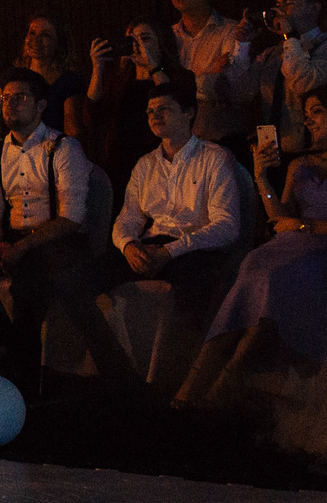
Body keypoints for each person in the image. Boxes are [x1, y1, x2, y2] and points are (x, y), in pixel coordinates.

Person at [179, 83, 327, 413]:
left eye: (317, 113)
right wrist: (262, 178)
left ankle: (220, 389)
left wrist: (305, 226)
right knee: (254, 267)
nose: (309, 122)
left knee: (272, 276)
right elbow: (279, 217)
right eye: (306, 116)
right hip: (289, 245)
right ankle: (188, 392)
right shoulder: (299, 165)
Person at [0, 68, 113, 392]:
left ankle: (24, 386)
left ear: (41, 106)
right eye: (5, 98)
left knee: (26, 291)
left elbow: (71, 218)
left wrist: (21, 249)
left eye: (20, 98)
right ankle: (7, 344)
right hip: (10, 239)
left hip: (58, 239)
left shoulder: (64, 148)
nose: (10, 104)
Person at [96, 89, 245, 389]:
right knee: (78, 279)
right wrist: (128, 246)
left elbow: (227, 226)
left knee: (195, 289)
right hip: (151, 245)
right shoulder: (145, 164)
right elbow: (127, 219)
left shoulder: (214, 158)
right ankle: (117, 375)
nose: (155, 116)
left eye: (164, 109)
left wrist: (171, 251)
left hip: (195, 247)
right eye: (150, 111)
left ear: (189, 113)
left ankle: (170, 386)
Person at [86, 20, 198, 192]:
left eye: (145, 39)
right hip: (121, 166)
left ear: (161, 43)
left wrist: (153, 66)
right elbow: (92, 117)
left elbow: (175, 104)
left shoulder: (180, 78)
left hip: (164, 165)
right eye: (132, 40)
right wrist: (97, 67)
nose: (137, 46)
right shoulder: (120, 82)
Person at [166, 0, 260, 159]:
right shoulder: (167, 38)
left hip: (221, 143)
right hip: (176, 147)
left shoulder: (230, 32)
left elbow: (230, 89)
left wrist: (181, 84)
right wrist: (208, 75)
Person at [253, 0, 327, 154]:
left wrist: (290, 37)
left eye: (289, 3)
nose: (279, 11)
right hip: (276, 153)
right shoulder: (273, 54)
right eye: (278, 5)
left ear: (314, 7)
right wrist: (241, 45)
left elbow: (306, 84)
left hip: (321, 152)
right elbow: (239, 92)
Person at [0, 15, 87, 158]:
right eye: (32, 33)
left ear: (60, 43)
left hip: (51, 156)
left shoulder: (68, 81)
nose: (36, 40)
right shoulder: (11, 77)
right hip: (15, 155)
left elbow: (72, 131)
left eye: (46, 35)